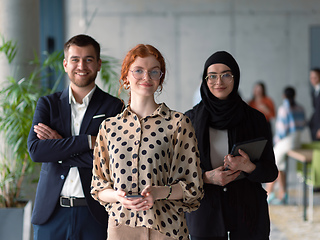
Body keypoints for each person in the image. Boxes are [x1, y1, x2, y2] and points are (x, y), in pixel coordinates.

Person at [90, 44, 204, 240]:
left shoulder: (177, 123)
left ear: (160, 79)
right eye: (138, 71)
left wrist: (160, 192)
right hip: (121, 228)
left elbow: (193, 187)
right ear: (126, 77)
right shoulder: (109, 127)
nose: (146, 77)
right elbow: (98, 187)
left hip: (167, 228)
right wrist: (118, 196)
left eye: (154, 72)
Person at [27, 34, 124, 240]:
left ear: (98, 64)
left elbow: (111, 161)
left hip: (94, 215)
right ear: (65, 64)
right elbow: (37, 151)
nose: (81, 65)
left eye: (88, 59)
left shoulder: (113, 107)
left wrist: (58, 149)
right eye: (75, 59)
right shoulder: (48, 104)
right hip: (51, 214)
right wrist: (89, 141)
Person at [185, 51, 278, 240]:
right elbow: (178, 175)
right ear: (205, 79)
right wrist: (206, 178)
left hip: (248, 214)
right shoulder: (189, 120)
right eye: (212, 76)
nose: (219, 81)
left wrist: (248, 166)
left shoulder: (255, 119)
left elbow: (271, 172)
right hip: (205, 216)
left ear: (235, 77)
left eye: (226, 75)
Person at [265, 86, 306, 204]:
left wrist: (276, 141)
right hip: (297, 141)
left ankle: (268, 193)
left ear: (284, 96)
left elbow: (282, 131)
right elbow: (303, 125)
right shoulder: (300, 108)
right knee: (280, 166)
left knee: (272, 164)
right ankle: (283, 194)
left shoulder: (284, 109)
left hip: (286, 141)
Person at [308, 68, 320, 141]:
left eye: (315, 77)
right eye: (311, 77)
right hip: (315, 125)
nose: (312, 79)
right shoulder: (314, 91)